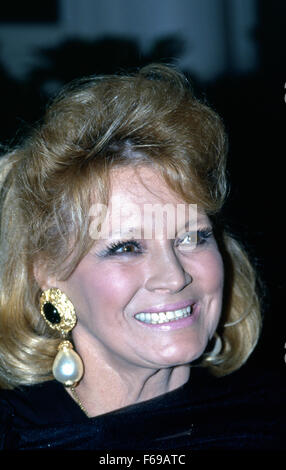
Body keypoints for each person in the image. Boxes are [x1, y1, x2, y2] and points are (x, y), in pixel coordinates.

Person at [0, 64, 284, 452]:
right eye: (126, 247)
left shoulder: (268, 418)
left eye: (192, 237)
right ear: (47, 271)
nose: (173, 276)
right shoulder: (16, 435)